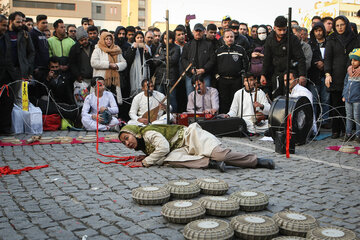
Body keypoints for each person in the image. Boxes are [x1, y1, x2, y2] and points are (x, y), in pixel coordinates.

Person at [118, 123, 275, 171]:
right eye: (124, 143)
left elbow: (163, 147)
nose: (127, 143)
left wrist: (145, 162)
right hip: (181, 148)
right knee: (166, 160)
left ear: (134, 133)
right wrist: (147, 157)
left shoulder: (148, 133)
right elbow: (162, 154)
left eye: (126, 138)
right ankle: (211, 164)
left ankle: (256, 161)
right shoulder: (144, 144)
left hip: (190, 137)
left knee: (221, 155)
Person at [324, 15, 359, 139]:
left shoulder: (354, 38)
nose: (339, 28)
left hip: (351, 75)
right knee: (335, 104)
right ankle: (335, 130)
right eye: (337, 25)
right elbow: (327, 58)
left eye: (342, 25)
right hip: (335, 74)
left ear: (347, 25)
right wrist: (327, 73)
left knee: (349, 106)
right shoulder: (331, 38)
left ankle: (347, 130)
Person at [261, 16, 306, 100]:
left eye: (284, 29)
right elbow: (267, 58)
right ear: (274, 28)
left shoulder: (292, 39)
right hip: (276, 73)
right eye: (279, 30)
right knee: (277, 98)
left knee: (290, 99)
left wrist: (302, 75)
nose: (282, 32)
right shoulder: (269, 40)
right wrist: (263, 74)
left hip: (290, 72)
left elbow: (300, 58)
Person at [216, 29, 248, 113]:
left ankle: (235, 119)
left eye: (231, 37)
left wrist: (243, 74)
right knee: (224, 101)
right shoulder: (219, 51)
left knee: (236, 101)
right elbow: (215, 64)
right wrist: (217, 76)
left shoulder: (240, 50)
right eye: (227, 37)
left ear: (234, 38)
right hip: (223, 80)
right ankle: (224, 120)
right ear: (224, 39)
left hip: (236, 80)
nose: (229, 38)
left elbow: (246, 63)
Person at [7, 11, 35, 107]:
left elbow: (31, 52)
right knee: (7, 98)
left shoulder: (24, 34)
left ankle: (23, 120)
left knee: (23, 99)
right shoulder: (4, 33)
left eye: (22, 22)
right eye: (18, 22)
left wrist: (27, 66)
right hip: (7, 72)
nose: (20, 24)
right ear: (11, 21)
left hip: (21, 72)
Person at [91, 31, 127, 105]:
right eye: (106, 39)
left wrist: (117, 65)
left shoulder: (117, 50)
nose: (109, 41)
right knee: (100, 103)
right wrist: (109, 65)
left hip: (114, 82)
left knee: (112, 103)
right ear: (102, 40)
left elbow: (124, 63)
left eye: (110, 39)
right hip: (102, 81)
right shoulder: (98, 50)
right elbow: (94, 63)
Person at [182, 23, 216, 96]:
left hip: (205, 75)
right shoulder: (188, 45)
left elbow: (212, 59)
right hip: (190, 75)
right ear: (193, 31)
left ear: (204, 32)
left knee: (205, 97)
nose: (198, 32)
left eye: (200, 31)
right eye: (196, 31)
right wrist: (190, 69)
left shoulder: (209, 44)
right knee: (191, 97)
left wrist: (204, 69)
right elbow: (183, 59)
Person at [308, 22, 330, 128]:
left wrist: (324, 63)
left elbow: (332, 56)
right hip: (314, 75)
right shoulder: (310, 44)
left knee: (326, 99)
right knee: (315, 99)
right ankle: (315, 121)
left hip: (326, 74)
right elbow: (307, 58)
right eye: (316, 31)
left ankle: (325, 120)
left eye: (320, 30)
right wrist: (316, 63)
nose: (319, 33)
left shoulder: (329, 42)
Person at [153, 31, 180, 111]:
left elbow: (173, 61)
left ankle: (173, 116)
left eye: (169, 39)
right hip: (160, 76)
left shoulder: (176, 48)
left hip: (171, 77)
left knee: (171, 98)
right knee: (159, 99)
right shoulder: (160, 47)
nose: (167, 41)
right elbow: (155, 61)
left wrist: (161, 57)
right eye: (165, 39)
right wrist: (166, 57)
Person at [0, 15, 15, 135]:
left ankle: (5, 127)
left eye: (6, 25)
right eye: (3, 25)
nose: (6, 28)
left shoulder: (6, 37)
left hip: (7, 75)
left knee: (8, 101)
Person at [125, 31, 151, 95]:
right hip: (135, 73)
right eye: (138, 37)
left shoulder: (147, 48)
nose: (140, 39)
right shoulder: (131, 47)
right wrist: (133, 49)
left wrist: (147, 53)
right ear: (135, 39)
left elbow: (150, 62)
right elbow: (129, 60)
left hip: (144, 72)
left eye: (141, 37)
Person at [342, 48, 360, 143]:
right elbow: (346, 83)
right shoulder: (349, 71)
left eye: (356, 60)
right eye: (352, 60)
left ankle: (358, 134)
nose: (353, 62)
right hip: (348, 98)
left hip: (357, 99)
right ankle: (348, 134)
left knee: (357, 116)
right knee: (348, 116)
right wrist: (344, 94)